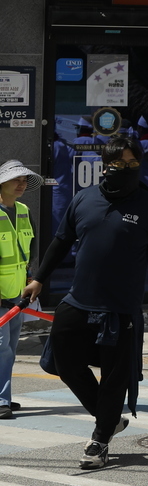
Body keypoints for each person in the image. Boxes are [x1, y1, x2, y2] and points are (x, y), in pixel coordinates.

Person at [24, 134, 148, 470]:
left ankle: (99, 439)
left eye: (134, 164)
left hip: (120, 308)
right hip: (78, 301)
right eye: (121, 164)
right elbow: (61, 242)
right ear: (107, 166)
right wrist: (39, 278)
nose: (129, 169)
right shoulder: (84, 199)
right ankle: (108, 417)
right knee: (62, 361)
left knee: (115, 377)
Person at [0, 161, 39, 420]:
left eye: (24, 180)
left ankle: (5, 396)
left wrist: (30, 278)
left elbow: (31, 248)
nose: (22, 184)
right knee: (2, 347)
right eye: (16, 179)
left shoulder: (24, 210)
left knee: (11, 347)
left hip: (17, 292)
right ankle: (1, 399)